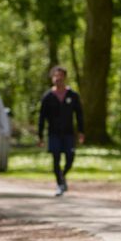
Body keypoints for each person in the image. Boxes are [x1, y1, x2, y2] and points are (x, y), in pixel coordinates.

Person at [37, 66, 85, 197]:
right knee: (56, 158)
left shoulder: (73, 95)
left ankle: (62, 176)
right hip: (54, 133)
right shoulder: (48, 97)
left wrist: (81, 131)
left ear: (64, 78)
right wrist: (40, 136)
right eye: (56, 76)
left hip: (69, 133)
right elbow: (41, 117)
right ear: (52, 78)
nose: (58, 79)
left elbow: (79, 115)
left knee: (70, 158)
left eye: (61, 77)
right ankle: (60, 184)